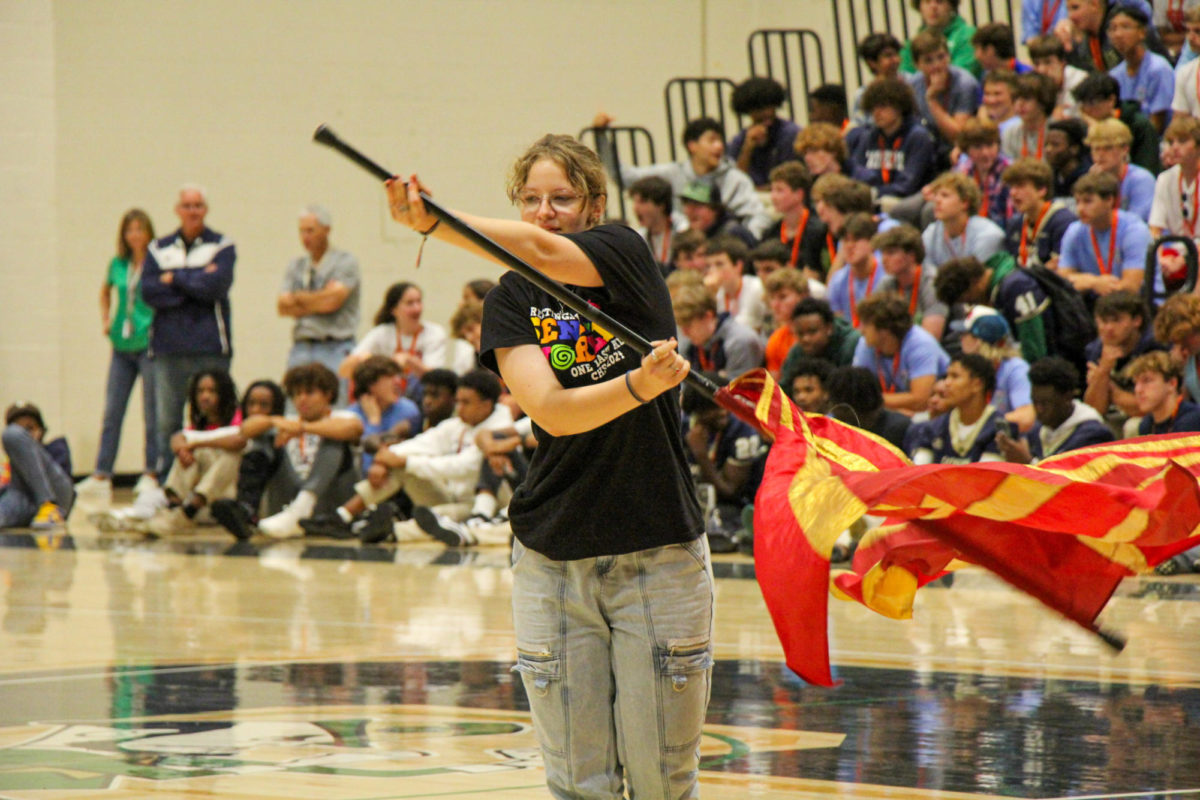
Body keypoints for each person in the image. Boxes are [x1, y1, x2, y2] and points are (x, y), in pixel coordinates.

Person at [385, 133, 711, 798]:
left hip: (658, 548)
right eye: (530, 199)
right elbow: (553, 410)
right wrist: (637, 388)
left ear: (593, 205)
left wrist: (439, 219)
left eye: (561, 198)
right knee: (576, 784)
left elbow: (539, 251)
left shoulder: (623, 253)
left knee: (661, 784)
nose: (544, 212)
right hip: (553, 556)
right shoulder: (510, 301)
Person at [141, 184, 236, 479]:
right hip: (168, 350)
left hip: (210, 348)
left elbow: (215, 288)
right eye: (187, 206)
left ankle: (213, 483)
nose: (192, 211)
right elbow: (150, 292)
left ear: (205, 210)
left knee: (216, 418)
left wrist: (174, 279)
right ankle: (168, 485)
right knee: (166, 422)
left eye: (198, 206)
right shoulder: (158, 248)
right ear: (177, 210)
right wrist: (194, 279)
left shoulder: (222, 245)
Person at [75, 209, 158, 505]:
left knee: (152, 411)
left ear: (149, 232)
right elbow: (105, 292)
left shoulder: (156, 263)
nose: (135, 235)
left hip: (148, 342)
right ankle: (101, 474)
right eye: (129, 230)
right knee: (112, 410)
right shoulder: (118, 264)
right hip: (121, 344)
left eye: (140, 229)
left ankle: (151, 471)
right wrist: (106, 319)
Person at [94, 369, 242, 534]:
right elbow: (177, 440)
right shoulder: (199, 424)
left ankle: (179, 513)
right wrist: (184, 448)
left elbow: (238, 440)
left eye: (212, 391)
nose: (205, 396)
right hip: (191, 497)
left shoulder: (238, 418)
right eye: (200, 391)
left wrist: (194, 443)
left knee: (219, 453)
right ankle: (137, 519)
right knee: (149, 496)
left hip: (223, 499)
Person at [227, 363, 364, 539]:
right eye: (297, 394)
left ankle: (304, 508)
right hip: (287, 498)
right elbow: (245, 429)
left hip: (329, 503)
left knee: (334, 441)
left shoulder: (342, 417)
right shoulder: (287, 422)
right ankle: (246, 510)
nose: (302, 399)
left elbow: (353, 429)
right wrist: (274, 421)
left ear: (328, 394)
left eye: (309, 393)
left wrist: (303, 428)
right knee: (262, 441)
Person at [594, 114, 770, 236]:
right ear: (692, 145)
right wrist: (601, 136)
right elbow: (625, 177)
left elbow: (758, 216)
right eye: (712, 140)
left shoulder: (736, 179)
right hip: (682, 251)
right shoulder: (672, 173)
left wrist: (745, 243)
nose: (719, 147)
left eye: (720, 141)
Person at [276, 204, 361, 392]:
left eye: (310, 230)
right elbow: (282, 307)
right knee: (294, 401)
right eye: (301, 231)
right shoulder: (296, 266)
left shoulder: (345, 262)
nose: (305, 237)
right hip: (302, 345)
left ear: (326, 230)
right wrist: (319, 297)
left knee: (335, 400)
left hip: (336, 345)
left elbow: (332, 302)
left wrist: (298, 299)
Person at [681, 375, 768, 553]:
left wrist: (701, 455)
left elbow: (730, 491)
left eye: (726, 404)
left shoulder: (742, 430)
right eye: (714, 407)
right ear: (697, 411)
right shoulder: (681, 427)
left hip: (737, 505)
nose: (723, 411)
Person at [339, 282, 449, 400]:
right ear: (394, 310)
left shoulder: (435, 333)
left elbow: (436, 378)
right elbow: (344, 370)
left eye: (419, 301)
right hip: (386, 394)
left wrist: (409, 361)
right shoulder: (382, 333)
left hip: (420, 395)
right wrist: (366, 361)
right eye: (410, 303)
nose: (417, 308)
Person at [997, 356, 1115, 465]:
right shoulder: (1038, 431)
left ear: (1067, 397)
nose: (1039, 409)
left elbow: (1075, 484)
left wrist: (1028, 462)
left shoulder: (1094, 436)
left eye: (1045, 403)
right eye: (1035, 401)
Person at [934, 254, 1052, 363]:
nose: (972, 306)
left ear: (974, 284)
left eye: (969, 301)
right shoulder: (1002, 288)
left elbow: (1034, 349)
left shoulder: (1015, 287)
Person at [848, 77, 939, 215]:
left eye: (883, 106)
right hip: (875, 200)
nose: (876, 113)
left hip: (907, 202)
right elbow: (857, 172)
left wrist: (875, 193)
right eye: (873, 108)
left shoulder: (918, 136)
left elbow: (908, 184)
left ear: (899, 106)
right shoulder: (869, 136)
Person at [852, 291, 951, 414]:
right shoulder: (866, 344)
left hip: (935, 411)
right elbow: (856, 393)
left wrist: (872, 402)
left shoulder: (921, 344)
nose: (861, 330)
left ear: (884, 329)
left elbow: (921, 400)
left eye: (866, 324)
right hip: (898, 411)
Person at [1058, 171, 1151, 297]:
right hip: (1095, 305)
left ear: (1109, 200)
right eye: (1078, 202)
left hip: (1136, 306)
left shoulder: (1134, 230)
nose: (1080, 208)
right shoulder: (1074, 231)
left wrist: (1082, 282)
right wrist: (1093, 282)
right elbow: (1060, 283)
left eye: (1088, 201)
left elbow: (1131, 288)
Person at [904, 353, 1003, 463]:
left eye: (955, 376)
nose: (946, 383)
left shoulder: (999, 428)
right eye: (947, 376)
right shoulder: (934, 427)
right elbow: (920, 471)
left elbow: (990, 476)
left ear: (977, 384)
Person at [1083, 290, 1162, 416]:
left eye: (1116, 320)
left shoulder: (1155, 348)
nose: (1109, 328)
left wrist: (1110, 389)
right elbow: (1093, 412)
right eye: (1104, 321)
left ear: (1137, 320)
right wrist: (1104, 370)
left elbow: (1153, 409)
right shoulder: (1095, 350)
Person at [905, 30, 981, 162]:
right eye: (928, 60)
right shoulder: (912, 85)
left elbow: (958, 136)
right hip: (927, 150)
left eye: (941, 57)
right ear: (917, 65)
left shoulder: (964, 83)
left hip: (958, 151)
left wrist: (932, 100)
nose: (937, 65)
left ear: (949, 57)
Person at [959, 306, 1035, 430]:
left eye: (964, 334)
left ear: (978, 341)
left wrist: (979, 428)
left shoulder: (1016, 369)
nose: (960, 339)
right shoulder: (965, 369)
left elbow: (1026, 417)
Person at [0, 404, 73, 530]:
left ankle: (48, 505)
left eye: (29, 429)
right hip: (22, 499)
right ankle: (45, 511)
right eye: (22, 431)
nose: (25, 436)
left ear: (41, 430)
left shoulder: (55, 449)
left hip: (55, 495)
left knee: (11, 434)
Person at [1072, 71, 1162, 173]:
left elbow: (1148, 167)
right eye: (1083, 103)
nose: (1086, 109)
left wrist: (1100, 131)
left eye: (1092, 102)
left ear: (1111, 100)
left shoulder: (1139, 125)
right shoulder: (1085, 127)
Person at [1105, 4, 1174, 133]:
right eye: (1113, 29)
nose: (1118, 34)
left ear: (1142, 32)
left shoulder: (1158, 69)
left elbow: (1156, 125)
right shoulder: (1114, 76)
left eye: (1125, 27)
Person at [873, 224, 949, 340]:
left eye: (891, 253)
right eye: (883, 253)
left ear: (911, 256)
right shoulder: (887, 283)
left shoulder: (932, 282)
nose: (884, 259)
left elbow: (931, 338)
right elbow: (872, 329)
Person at [673, 282, 764, 378]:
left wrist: (717, 379)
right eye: (681, 327)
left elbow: (740, 390)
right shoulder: (690, 345)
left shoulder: (740, 341)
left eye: (688, 326)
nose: (684, 333)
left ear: (708, 316)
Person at [349, 356, 423, 473]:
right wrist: (374, 421)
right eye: (390, 377)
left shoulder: (408, 410)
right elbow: (365, 467)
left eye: (398, 376)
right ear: (371, 385)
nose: (397, 382)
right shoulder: (352, 416)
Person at [1002, 157, 1077, 270]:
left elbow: (1061, 269)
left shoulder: (1063, 223)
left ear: (1041, 189)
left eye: (1021, 186)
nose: (1013, 193)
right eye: (1011, 187)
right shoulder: (1015, 224)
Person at [922, 171, 1008, 269]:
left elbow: (978, 281)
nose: (937, 200)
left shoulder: (988, 235)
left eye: (945, 195)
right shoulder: (931, 233)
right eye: (936, 195)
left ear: (965, 202)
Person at [760, 161, 830, 279]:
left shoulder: (819, 230)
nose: (773, 196)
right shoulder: (771, 233)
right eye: (772, 190)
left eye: (779, 190)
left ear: (798, 194)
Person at [727, 76, 802, 187]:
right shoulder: (740, 139)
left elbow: (792, 179)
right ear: (748, 111)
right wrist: (747, 148)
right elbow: (735, 181)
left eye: (770, 107)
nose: (767, 113)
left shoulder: (790, 133)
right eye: (759, 109)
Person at [779, 297, 862, 391]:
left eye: (812, 331)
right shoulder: (797, 351)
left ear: (829, 328)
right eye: (800, 334)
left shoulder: (852, 344)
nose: (806, 339)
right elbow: (784, 389)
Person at [826, 365, 913, 449]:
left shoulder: (899, 429)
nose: (831, 407)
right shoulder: (842, 430)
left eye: (833, 401)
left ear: (847, 407)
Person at [1085, 118, 1155, 221]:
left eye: (1107, 148)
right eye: (1096, 149)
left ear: (1125, 149)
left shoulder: (1141, 179)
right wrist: (1095, 186)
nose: (1100, 155)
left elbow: (1135, 222)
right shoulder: (1092, 179)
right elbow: (1086, 220)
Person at [827, 213, 888, 329]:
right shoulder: (837, 280)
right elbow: (837, 326)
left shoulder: (886, 275)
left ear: (872, 242)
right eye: (845, 240)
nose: (850, 246)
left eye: (856, 239)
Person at [1149, 116, 1200, 247]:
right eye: (1171, 142)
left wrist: (1184, 260)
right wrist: (1160, 257)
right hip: (1178, 252)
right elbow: (1155, 229)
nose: (1175, 147)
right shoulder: (1165, 179)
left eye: (1182, 141)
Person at [954, 118, 1012, 228]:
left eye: (990, 145)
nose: (985, 153)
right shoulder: (962, 172)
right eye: (977, 147)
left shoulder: (1010, 172)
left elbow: (1013, 218)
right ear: (967, 149)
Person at [899, 0, 980, 78]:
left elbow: (962, 74)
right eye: (927, 2)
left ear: (951, 5)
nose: (933, 7)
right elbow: (905, 78)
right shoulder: (911, 44)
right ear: (919, 7)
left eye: (939, 1)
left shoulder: (968, 35)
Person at [704, 236, 768, 334]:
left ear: (738, 266)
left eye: (719, 264)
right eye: (708, 266)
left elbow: (744, 328)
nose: (712, 271)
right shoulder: (718, 294)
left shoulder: (756, 288)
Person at [1126, 350, 1200, 434]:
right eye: (1135, 383)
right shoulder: (1146, 425)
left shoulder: (1193, 421)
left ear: (1172, 383)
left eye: (1147, 380)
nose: (1138, 390)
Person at [629, 176, 687, 275]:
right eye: (634, 201)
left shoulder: (684, 231)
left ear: (661, 205)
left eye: (642, 202)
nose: (636, 208)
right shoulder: (638, 239)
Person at [677, 181, 757, 249]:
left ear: (716, 209)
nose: (689, 211)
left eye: (697, 206)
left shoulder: (734, 235)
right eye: (686, 205)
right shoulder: (688, 236)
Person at [1152, 292, 1200, 403]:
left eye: (1184, 340)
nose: (1182, 347)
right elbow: (1186, 402)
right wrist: (1180, 368)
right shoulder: (1189, 356)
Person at [762, 268, 812, 375]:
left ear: (803, 296)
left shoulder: (819, 334)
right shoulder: (776, 340)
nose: (775, 305)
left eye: (782, 297)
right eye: (772, 298)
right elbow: (775, 387)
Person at [1027, 34, 1089, 119]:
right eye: (1037, 64)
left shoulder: (1080, 81)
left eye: (1048, 62)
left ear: (1062, 63)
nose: (1041, 70)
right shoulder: (1033, 85)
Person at [1000, 72, 1057, 161]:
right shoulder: (1009, 132)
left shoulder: (1056, 131)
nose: (1020, 104)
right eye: (1016, 99)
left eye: (1027, 98)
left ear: (1043, 100)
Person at [852, 32, 903, 125]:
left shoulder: (911, 82)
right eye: (888, 56)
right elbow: (860, 125)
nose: (896, 60)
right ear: (872, 63)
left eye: (896, 54)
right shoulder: (863, 94)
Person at [1045, 118, 1093, 200]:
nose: (1048, 149)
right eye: (1046, 144)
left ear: (1074, 148)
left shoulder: (1088, 177)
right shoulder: (1050, 177)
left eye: (1055, 145)